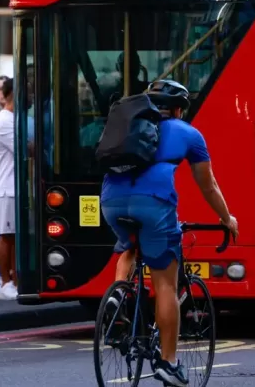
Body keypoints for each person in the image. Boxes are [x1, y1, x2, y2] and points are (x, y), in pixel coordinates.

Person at [101, 79, 238, 387]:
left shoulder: (128, 125)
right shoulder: (188, 133)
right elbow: (209, 185)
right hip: (154, 204)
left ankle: (118, 296)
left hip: (110, 201)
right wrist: (226, 218)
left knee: (129, 246)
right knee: (165, 283)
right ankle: (169, 363)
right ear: (178, 109)